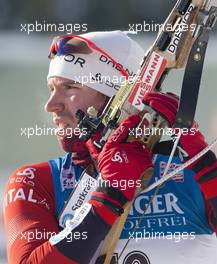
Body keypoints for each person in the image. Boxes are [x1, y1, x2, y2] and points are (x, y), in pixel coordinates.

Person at [3, 31, 217, 264]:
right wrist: (109, 195)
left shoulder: (186, 174)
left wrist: (205, 165)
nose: (50, 105)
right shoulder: (36, 182)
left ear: (117, 98)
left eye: (71, 87)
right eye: (51, 89)